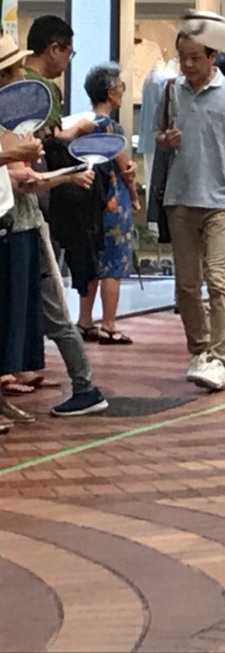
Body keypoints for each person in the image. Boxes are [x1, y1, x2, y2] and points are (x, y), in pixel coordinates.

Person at [0, 36, 108, 417]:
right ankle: (83, 385)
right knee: (34, 312)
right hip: (15, 226)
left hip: (22, 225)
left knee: (45, 311)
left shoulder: (15, 122)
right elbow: (22, 177)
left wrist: (60, 174)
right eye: (13, 70)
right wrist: (63, 176)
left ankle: (85, 386)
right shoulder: (11, 125)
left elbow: (25, 178)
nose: (20, 77)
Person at [159, 32, 225, 393]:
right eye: (182, 57)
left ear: (213, 55)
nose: (188, 65)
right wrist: (166, 140)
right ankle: (200, 350)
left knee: (219, 281)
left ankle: (220, 358)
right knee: (186, 286)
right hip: (180, 198)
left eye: (195, 58)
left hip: (221, 201)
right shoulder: (172, 90)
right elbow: (159, 136)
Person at [75, 63, 140, 345]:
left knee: (92, 262)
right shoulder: (110, 127)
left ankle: (85, 321)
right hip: (113, 201)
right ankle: (109, 325)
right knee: (113, 264)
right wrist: (134, 196)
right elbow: (125, 169)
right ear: (111, 91)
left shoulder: (81, 124)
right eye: (120, 87)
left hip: (88, 201)